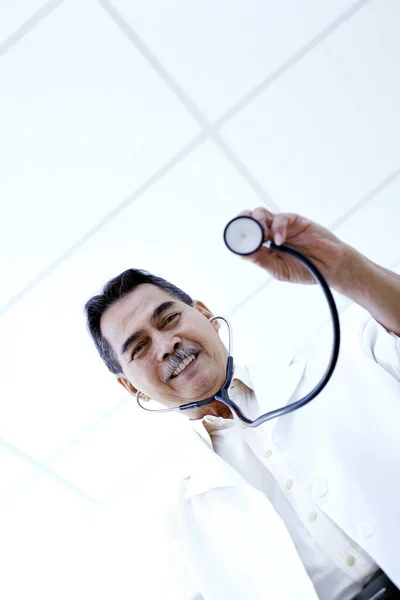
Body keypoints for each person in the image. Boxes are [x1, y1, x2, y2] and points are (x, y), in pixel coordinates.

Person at [84, 207, 400, 600]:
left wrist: (344, 268)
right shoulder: (176, 522)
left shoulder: (345, 357)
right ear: (132, 388)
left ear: (204, 314)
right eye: (140, 347)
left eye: (168, 320)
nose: (167, 346)